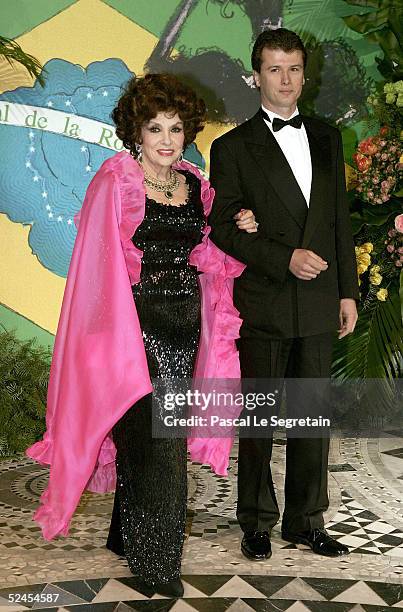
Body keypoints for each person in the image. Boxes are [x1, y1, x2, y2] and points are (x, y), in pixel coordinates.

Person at [26, 73, 256, 597]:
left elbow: (212, 254)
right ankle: (157, 564)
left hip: (185, 330)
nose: (167, 139)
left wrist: (238, 224)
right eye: (156, 128)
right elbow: (98, 269)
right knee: (157, 446)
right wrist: (111, 341)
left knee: (152, 441)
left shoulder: (195, 184)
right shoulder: (115, 180)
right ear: (136, 131)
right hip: (133, 333)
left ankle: (126, 538)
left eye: (176, 128)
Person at [208, 29, 359, 561]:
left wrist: (348, 292)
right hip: (267, 300)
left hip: (320, 300)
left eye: (293, 68)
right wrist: (283, 257)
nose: (286, 79)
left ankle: (305, 521)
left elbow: (338, 219)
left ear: (304, 73)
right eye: (274, 69)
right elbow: (224, 226)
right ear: (256, 77)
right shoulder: (230, 148)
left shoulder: (326, 136)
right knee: (259, 422)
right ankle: (254, 520)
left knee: (311, 416)